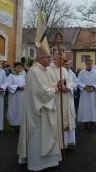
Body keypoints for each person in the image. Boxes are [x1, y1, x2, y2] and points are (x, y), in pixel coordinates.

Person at [17, 38, 62, 171]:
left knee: (49, 134)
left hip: (47, 108)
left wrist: (56, 85)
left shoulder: (46, 70)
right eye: (48, 58)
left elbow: (49, 85)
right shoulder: (34, 71)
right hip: (38, 111)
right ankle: (37, 163)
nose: (50, 60)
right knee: (38, 137)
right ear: (41, 58)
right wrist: (55, 89)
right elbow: (40, 92)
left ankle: (49, 160)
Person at [48, 55, 76, 148]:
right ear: (55, 59)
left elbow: (71, 82)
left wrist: (67, 87)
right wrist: (58, 87)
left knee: (66, 119)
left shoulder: (64, 70)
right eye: (61, 59)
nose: (63, 61)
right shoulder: (49, 69)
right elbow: (47, 84)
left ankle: (66, 142)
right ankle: (58, 143)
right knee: (57, 120)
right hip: (56, 98)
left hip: (66, 97)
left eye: (63, 60)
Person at [77, 58, 96, 130]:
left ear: (92, 63)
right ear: (86, 64)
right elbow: (78, 81)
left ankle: (93, 123)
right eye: (88, 63)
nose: (89, 65)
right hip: (84, 93)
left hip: (93, 93)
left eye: (90, 63)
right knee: (84, 108)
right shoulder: (81, 73)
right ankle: (84, 123)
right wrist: (84, 87)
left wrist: (93, 87)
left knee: (93, 108)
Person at [6, 62, 25, 130]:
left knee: (20, 110)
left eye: (20, 67)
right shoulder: (11, 76)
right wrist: (18, 87)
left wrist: (24, 86)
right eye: (17, 67)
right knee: (13, 110)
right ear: (14, 68)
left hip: (21, 96)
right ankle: (12, 126)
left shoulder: (22, 76)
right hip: (14, 96)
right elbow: (8, 85)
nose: (19, 69)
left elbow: (25, 83)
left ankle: (19, 124)